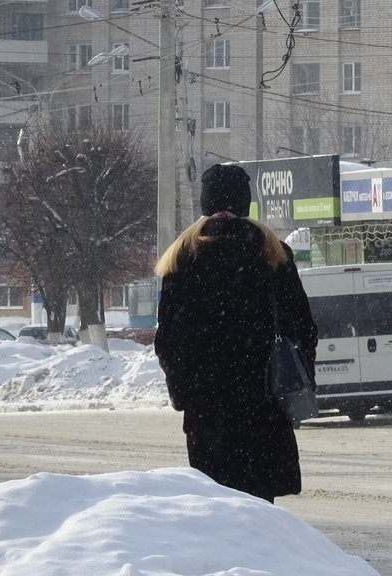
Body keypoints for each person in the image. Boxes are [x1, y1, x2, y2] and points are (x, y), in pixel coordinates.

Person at [154, 164, 318, 504]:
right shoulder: (272, 251)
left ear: (204, 201)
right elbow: (303, 328)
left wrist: (184, 392)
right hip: (263, 407)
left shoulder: (182, 257)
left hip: (207, 413)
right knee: (259, 509)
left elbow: (169, 340)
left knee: (216, 511)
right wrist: (295, 379)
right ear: (246, 203)